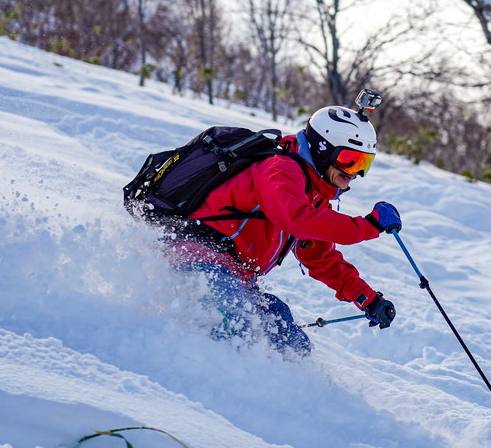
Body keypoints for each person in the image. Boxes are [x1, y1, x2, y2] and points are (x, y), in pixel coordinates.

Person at [166, 105, 401, 355]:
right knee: (240, 334)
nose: (356, 174)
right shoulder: (280, 170)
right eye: (349, 161)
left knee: (291, 344)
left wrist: (367, 298)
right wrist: (368, 226)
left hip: (236, 277)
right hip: (198, 259)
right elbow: (296, 218)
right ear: (322, 150)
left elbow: (320, 258)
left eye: (364, 163)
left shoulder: (314, 195)